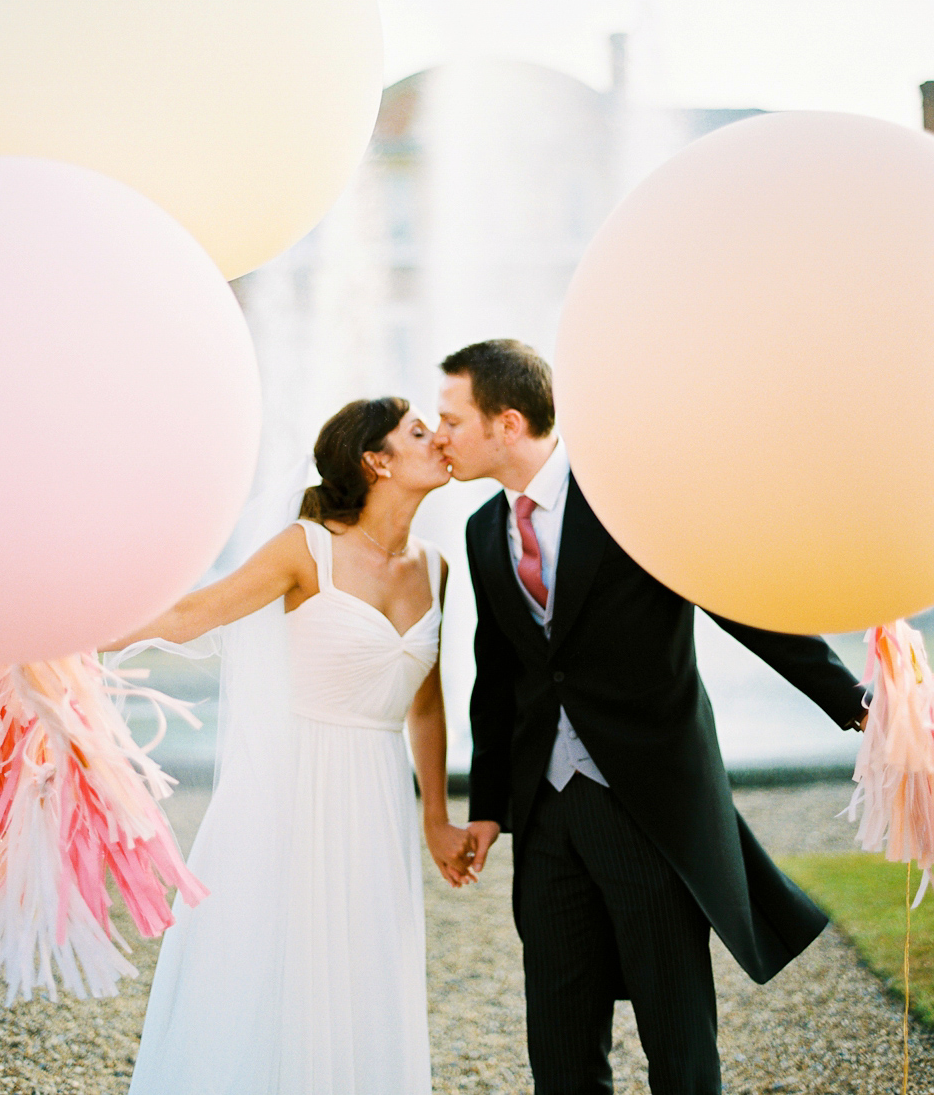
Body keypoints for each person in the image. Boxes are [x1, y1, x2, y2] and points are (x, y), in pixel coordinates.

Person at [433, 339, 868, 1095]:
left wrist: (855, 702)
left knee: (677, 1033)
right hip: (547, 816)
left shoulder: (631, 496)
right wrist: (491, 811)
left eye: (450, 419)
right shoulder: (480, 531)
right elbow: (499, 677)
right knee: (559, 1037)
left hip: (649, 805)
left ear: (506, 423)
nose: (438, 435)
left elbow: (740, 602)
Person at [110, 397, 474, 1095]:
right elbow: (190, 615)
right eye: (420, 433)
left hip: (377, 794)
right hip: (292, 787)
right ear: (377, 461)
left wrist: (434, 818)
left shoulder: (437, 568)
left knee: (365, 965)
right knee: (278, 965)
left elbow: (425, 702)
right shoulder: (306, 548)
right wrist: (63, 635)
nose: (442, 440)